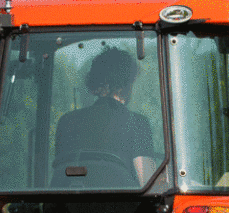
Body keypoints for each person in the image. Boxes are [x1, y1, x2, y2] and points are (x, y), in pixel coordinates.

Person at [53, 48, 156, 187]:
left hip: (67, 206)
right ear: (124, 84)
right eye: (132, 82)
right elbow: (148, 182)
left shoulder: (66, 122)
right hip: (122, 207)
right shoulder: (137, 123)